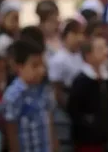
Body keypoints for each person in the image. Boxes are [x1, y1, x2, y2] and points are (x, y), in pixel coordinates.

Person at [66, 36, 108, 152]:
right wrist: (90, 123)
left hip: (107, 138)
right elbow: (73, 109)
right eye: (100, 49)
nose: (106, 51)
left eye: (106, 47)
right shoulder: (81, 80)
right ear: (88, 55)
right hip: (87, 139)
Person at [3, 39, 56, 152]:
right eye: (35, 66)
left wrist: (55, 147)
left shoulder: (45, 89)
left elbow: (50, 121)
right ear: (19, 67)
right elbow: (12, 132)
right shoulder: (14, 94)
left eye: (42, 65)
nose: (41, 70)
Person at [47, 19, 86, 152]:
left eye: (81, 34)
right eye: (75, 34)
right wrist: (71, 109)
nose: (79, 38)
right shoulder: (59, 59)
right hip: (66, 108)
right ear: (65, 36)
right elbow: (57, 90)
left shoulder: (81, 56)